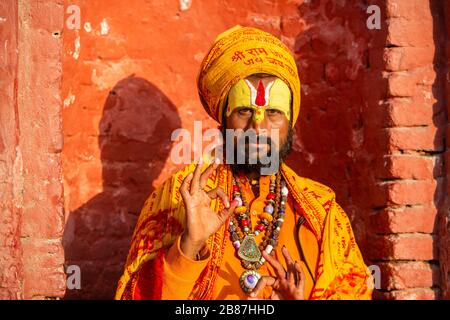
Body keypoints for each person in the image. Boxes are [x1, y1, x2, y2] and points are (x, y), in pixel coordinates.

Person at [115, 25, 373, 300]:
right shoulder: (180, 196)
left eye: (273, 112)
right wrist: (189, 246)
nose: (258, 126)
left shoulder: (322, 213)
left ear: (291, 121)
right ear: (224, 120)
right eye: (244, 111)